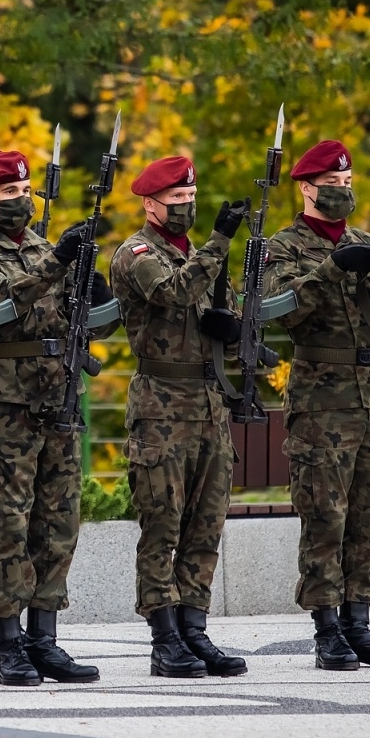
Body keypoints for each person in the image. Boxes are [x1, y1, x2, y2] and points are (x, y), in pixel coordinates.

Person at [0, 149, 110, 685]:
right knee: (6, 526)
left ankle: (44, 639)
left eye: (24, 191)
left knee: (57, 524)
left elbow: (86, 325)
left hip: (55, 400)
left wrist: (94, 295)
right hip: (3, 407)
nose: (21, 200)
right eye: (8, 192)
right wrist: (57, 263)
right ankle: (8, 643)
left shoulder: (42, 249)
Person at [264, 138, 370, 670]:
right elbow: (280, 310)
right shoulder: (282, 247)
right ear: (306, 189)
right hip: (321, 402)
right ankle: (327, 629)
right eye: (331, 185)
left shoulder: (367, 241)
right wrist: (332, 268)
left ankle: (360, 622)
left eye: (347, 184)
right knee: (324, 516)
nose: (341, 192)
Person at [110, 155, 250, 679]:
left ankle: (194, 628)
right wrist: (218, 243)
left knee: (205, 526)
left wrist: (232, 331)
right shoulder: (137, 253)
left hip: (209, 406)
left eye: (191, 198)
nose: (186, 207)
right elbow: (173, 292)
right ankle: (164, 637)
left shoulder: (203, 258)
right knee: (162, 526)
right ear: (150, 204)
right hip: (161, 407)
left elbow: (226, 319)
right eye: (176, 200)